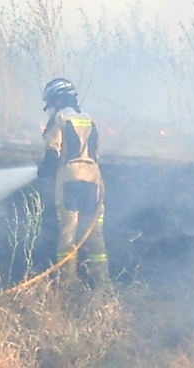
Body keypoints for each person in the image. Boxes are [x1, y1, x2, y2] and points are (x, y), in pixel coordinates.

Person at [37, 78, 111, 289]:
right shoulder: (89, 120)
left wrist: (43, 173)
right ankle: (103, 285)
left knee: (68, 233)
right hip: (95, 180)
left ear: (59, 99)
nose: (50, 109)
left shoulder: (59, 118)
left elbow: (53, 153)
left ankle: (67, 284)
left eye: (50, 103)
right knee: (95, 234)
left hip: (70, 179)